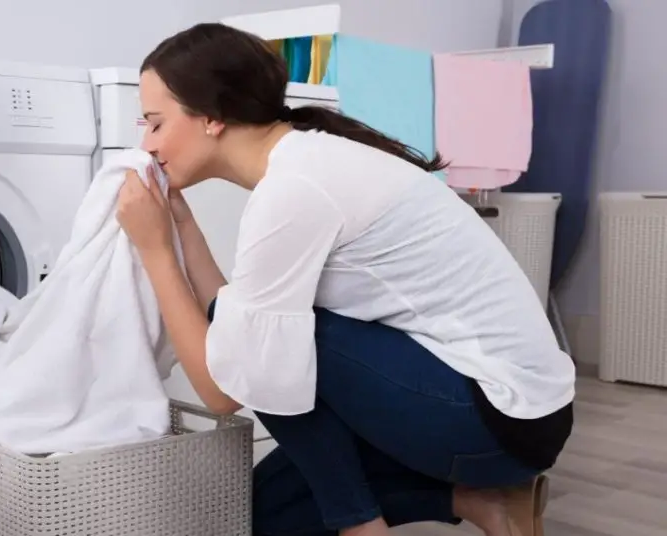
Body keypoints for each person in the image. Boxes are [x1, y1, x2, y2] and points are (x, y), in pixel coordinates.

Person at [115, 22, 575, 536]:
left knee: (263, 342)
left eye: (155, 123)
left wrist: (155, 250)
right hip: (502, 407)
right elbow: (236, 322)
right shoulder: (306, 160)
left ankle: (362, 526)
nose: (146, 142)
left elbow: (224, 390)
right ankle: (482, 501)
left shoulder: (296, 190)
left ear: (212, 117)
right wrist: (180, 224)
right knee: (268, 511)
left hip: (498, 419)